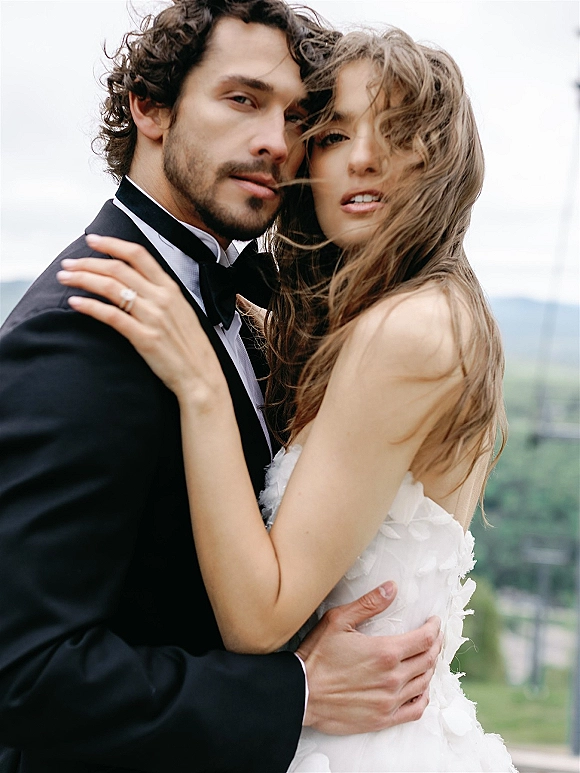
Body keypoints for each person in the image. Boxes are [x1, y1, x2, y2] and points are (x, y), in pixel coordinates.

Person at [57, 25, 518, 773]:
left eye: (397, 129)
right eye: (333, 135)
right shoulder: (398, 313)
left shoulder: (408, 330)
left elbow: (260, 619)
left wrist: (202, 381)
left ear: (441, 156)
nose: (362, 156)